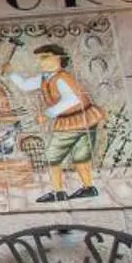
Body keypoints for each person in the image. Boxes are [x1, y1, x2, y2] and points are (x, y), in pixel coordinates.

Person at [7, 42, 106, 202]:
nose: (41, 61)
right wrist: (11, 74)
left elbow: (72, 99)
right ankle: (89, 188)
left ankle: (59, 192)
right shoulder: (45, 77)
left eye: (45, 57)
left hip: (73, 121)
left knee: (53, 156)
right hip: (86, 119)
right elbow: (25, 85)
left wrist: (47, 114)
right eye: (40, 58)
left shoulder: (62, 78)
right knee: (81, 156)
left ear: (59, 58)